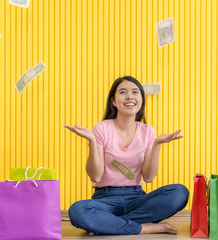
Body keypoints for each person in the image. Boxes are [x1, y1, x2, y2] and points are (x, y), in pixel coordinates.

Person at [64, 76, 189, 235]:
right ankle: (143, 227)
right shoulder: (102, 128)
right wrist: (92, 142)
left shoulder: (147, 131)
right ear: (114, 101)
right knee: (77, 211)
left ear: (141, 100)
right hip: (105, 199)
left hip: (136, 198)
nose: (130, 96)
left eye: (135, 92)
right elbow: (95, 176)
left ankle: (109, 224)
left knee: (180, 192)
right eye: (123, 92)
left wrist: (156, 144)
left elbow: (149, 177)